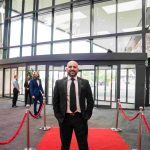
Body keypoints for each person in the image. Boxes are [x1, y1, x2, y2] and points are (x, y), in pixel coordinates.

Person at [53, 60, 94, 150]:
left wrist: (87, 115)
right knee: (65, 144)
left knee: (83, 144)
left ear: (78, 69)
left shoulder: (85, 82)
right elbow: (55, 101)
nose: (72, 69)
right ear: (66, 69)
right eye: (70, 67)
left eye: (74, 67)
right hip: (65, 119)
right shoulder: (59, 83)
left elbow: (90, 100)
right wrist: (59, 116)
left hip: (80, 118)